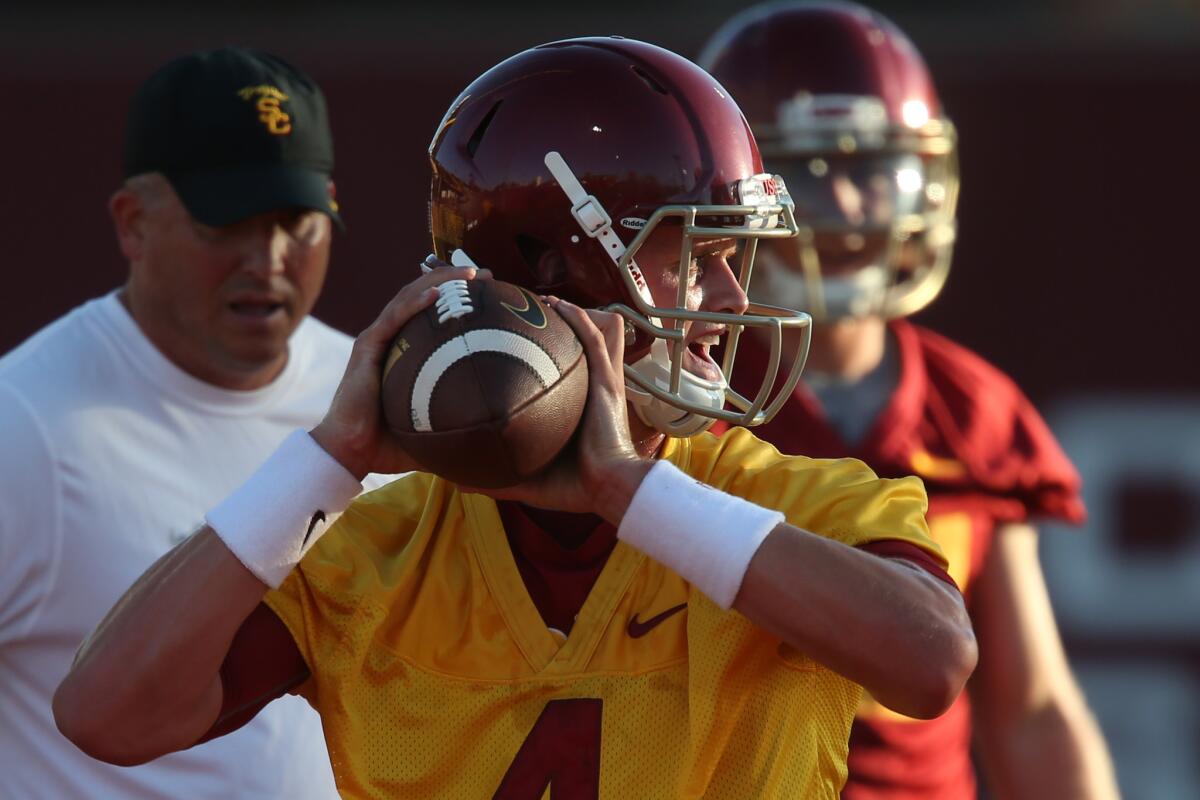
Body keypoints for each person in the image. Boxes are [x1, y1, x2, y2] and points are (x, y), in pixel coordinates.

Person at [53, 38, 977, 799]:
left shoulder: (785, 500)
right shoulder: (373, 548)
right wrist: (326, 459)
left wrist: (631, 491)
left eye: (735, 255)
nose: (731, 296)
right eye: (694, 256)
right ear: (556, 268)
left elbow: (931, 660)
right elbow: (108, 715)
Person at [699, 4, 1120, 798]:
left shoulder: (972, 409)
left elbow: (1029, 709)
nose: (852, 208)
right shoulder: (684, 386)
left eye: (872, 170)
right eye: (809, 173)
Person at [0, 47, 352, 797]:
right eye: (228, 221)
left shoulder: (376, 396)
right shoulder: (23, 423)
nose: (270, 258)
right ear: (133, 223)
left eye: (299, 221)